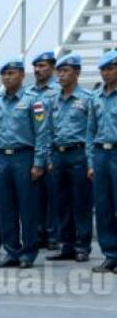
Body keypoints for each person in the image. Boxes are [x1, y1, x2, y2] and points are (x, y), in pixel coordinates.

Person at [0, 58, 49, 269]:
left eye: (11, 73)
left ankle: (28, 253)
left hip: (25, 157)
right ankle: (11, 251)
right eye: (4, 74)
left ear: (22, 75)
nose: (7, 77)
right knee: (6, 208)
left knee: (27, 208)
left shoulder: (33, 101)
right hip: (3, 158)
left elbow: (41, 133)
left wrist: (38, 163)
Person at [45, 54, 92, 263]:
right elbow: (48, 130)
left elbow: (92, 131)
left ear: (77, 73)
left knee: (81, 202)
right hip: (58, 154)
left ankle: (82, 246)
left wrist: (90, 160)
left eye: (66, 71)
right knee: (61, 202)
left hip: (78, 154)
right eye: (59, 71)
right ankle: (66, 245)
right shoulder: (53, 100)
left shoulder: (87, 99)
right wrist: (49, 157)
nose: (61, 75)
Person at [87, 51, 117, 273]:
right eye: (103, 69)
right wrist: (91, 162)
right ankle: (110, 254)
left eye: (110, 68)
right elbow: (90, 131)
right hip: (100, 155)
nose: (106, 73)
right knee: (103, 207)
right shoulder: (95, 97)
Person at [28, 51, 61, 251]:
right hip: (32, 152)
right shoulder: (28, 93)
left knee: (54, 195)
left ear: (52, 68)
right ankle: (39, 233)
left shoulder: (59, 91)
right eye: (36, 66)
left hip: (53, 151)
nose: (38, 70)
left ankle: (54, 235)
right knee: (35, 196)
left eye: (42, 66)